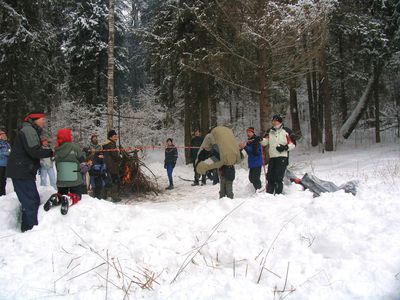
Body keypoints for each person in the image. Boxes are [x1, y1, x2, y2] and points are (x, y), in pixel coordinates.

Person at [6, 112, 53, 232]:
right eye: (42, 119)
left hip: (23, 171)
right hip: (21, 171)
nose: (44, 122)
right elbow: (34, 151)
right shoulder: (29, 130)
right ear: (35, 119)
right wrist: (51, 152)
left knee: (30, 200)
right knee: (31, 201)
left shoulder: (30, 130)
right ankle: (31, 230)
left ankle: (27, 227)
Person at [195, 126, 245, 199]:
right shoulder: (229, 136)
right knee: (227, 186)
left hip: (224, 167)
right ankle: (226, 200)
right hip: (229, 168)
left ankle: (224, 200)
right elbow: (241, 155)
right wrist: (243, 150)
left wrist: (199, 166)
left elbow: (209, 157)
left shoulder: (213, 136)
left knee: (225, 187)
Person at [45, 128, 85, 215]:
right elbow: (82, 161)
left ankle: (57, 197)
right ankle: (69, 199)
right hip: (74, 179)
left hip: (61, 180)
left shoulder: (56, 150)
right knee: (78, 195)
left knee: (62, 192)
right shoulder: (75, 148)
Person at [261, 115, 295, 195]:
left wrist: (285, 147)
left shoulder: (286, 131)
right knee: (270, 176)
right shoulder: (270, 131)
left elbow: (293, 144)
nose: (274, 122)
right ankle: (269, 194)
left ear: (280, 121)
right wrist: (259, 139)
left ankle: (278, 194)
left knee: (278, 177)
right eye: (273, 120)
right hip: (272, 157)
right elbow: (264, 142)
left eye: (275, 120)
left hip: (282, 157)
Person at [240, 127, 263, 191]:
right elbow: (248, 152)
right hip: (252, 163)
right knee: (251, 178)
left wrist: (245, 147)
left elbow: (256, 152)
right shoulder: (248, 142)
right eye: (247, 132)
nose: (248, 134)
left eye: (250, 132)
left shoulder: (256, 140)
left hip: (257, 162)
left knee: (256, 178)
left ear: (253, 133)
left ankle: (259, 190)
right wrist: (242, 148)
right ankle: (257, 189)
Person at [103, 130, 122, 202]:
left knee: (107, 181)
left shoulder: (106, 144)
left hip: (106, 165)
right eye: (115, 136)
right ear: (110, 137)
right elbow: (115, 156)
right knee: (115, 181)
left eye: (116, 136)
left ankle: (103, 195)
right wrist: (120, 159)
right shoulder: (111, 144)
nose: (116, 137)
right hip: (112, 166)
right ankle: (114, 197)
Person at [0, 130, 11, 196]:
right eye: (3, 134)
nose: (5, 136)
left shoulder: (7, 144)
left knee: (4, 180)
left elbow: (10, 150)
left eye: (5, 134)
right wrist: (6, 153)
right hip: (0, 164)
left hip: (5, 164)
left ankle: (3, 193)